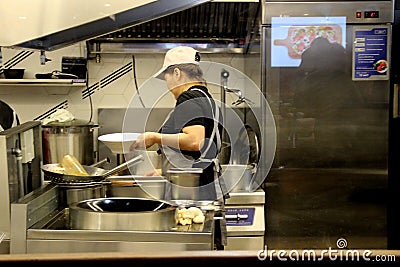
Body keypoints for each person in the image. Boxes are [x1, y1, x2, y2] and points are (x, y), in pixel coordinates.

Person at [130, 46, 227, 201]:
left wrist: (155, 137)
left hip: (191, 192)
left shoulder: (187, 98)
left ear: (177, 73)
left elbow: (195, 142)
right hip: (202, 184)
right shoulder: (207, 98)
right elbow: (199, 155)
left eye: (166, 77)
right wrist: (166, 171)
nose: (167, 84)